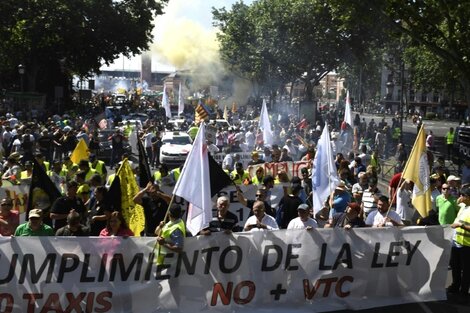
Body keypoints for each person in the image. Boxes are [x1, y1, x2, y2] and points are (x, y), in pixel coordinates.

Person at [449, 187, 470, 303]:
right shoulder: (463, 206)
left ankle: (464, 291)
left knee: (466, 270)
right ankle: (455, 286)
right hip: (456, 243)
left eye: (463, 196)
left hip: (467, 245)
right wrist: (459, 200)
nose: (460, 197)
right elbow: (457, 203)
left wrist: (461, 226)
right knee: (455, 266)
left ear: (468, 197)